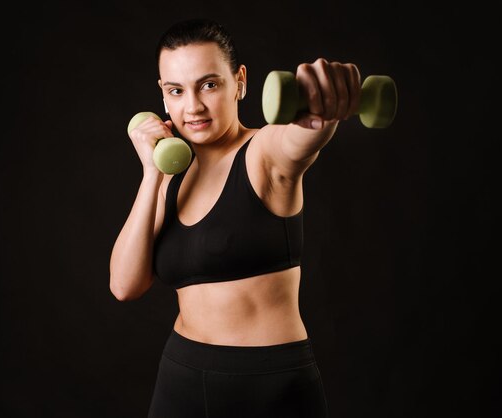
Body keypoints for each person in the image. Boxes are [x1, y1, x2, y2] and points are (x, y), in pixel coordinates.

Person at [109, 18, 360, 418]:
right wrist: (151, 174)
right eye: (177, 90)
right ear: (163, 95)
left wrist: (320, 115)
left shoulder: (264, 153)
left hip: (269, 387)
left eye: (209, 84)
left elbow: (297, 140)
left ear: (239, 81)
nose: (192, 106)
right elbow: (124, 285)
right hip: (181, 378)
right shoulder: (169, 172)